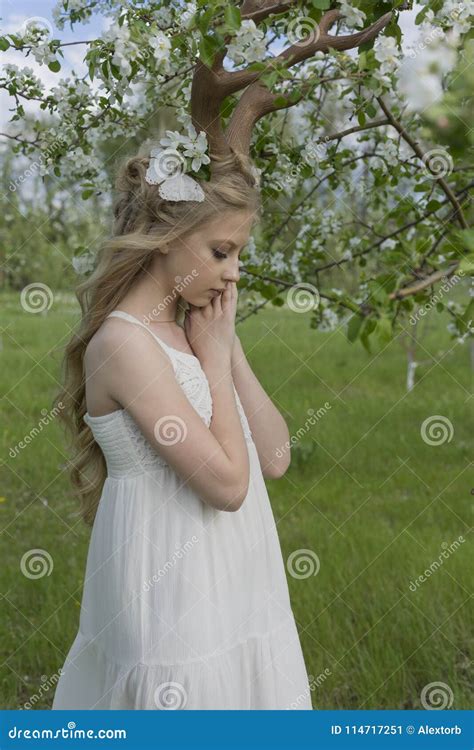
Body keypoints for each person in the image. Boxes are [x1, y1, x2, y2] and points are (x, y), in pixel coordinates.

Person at [51, 143, 312, 710]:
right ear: (166, 237)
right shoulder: (124, 343)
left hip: (238, 571)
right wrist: (215, 366)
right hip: (169, 583)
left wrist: (227, 346)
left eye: (238, 254)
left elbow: (275, 457)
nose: (234, 273)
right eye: (221, 252)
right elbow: (226, 486)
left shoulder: (197, 332)